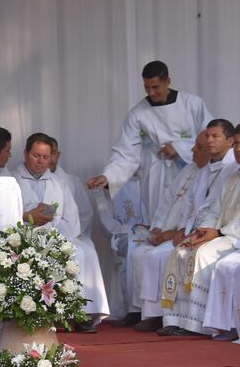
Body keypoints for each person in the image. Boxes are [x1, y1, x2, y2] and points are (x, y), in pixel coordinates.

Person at [88, 61, 212, 223]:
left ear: (167, 81)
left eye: (155, 87)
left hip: (190, 169)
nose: (151, 92)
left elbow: (211, 139)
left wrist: (180, 147)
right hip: (156, 175)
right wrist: (108, 176)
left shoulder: (192, 104)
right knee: (159, 220)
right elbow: (126, 152)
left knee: (189, 216)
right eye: (146, 87)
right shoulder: (138, 114)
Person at [159, 121, 240, 336]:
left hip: (234, 238)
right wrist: (204, 230)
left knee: (201, 253)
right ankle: (179, 320)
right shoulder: (232, 178)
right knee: (183, 249)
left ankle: (200, 324)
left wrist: (218, 233)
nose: (238, 150)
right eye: (238, 144)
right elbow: (215, 210)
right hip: (223, 234)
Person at [15, 133, 102, 331]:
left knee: (82, 252)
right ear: (26, 154)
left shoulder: (58, 182)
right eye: (36, 156)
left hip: (55, 236)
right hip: (24, 238)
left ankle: (80, 313)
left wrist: (52, 233)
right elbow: (4, 213)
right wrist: (28, 217)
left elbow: (71, 218)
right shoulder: (12, 180)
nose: (41, 162)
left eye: (46, 157)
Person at [126, 131, 209, 331]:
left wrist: (175, 233)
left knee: (155, 257)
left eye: (198, 147)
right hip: (174, 231)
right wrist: (158, 227)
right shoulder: (188, 170)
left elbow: (198, 210)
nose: (192, 150)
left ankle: (157, 314)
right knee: (137, 254)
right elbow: (168, 199)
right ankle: (139, 310)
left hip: (189, 234)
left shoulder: (209, 172)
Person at [47, 136, 110, 328]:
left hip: (73, 233)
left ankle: (86, 312)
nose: (48, 160)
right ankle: (59, 314)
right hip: (45, 234)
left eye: (51, 155)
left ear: (58, 155)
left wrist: (71, 232)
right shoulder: (23, 179)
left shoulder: (71, 181)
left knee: (87, 252)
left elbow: (84, 214)